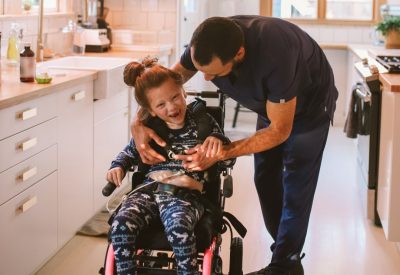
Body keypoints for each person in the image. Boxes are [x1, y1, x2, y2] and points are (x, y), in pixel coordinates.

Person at [131, 16, 339, 275]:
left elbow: (279, 130)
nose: (204, 78)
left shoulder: (276, 55)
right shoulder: (206, 42)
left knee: (295, 186)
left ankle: (286, 264)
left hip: (308, 109)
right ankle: (285, 251)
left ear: (239, 53)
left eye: (214, 73)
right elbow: (163, 86)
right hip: (271, 105)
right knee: (264, 178)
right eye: (199, 68)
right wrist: (138, 122)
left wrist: (221, 151)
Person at [107, 57, 233, 275]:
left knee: (178, 227)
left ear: (184, 92)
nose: (172, 107)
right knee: (120, 225)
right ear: (151, 110)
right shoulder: (150, 129)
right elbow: (129, 153)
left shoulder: (203, 124)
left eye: (175, 97)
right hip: (148, 191)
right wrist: (118, 166)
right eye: (161, 105)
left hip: (185, 194)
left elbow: (228, 159)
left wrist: (219, 146)